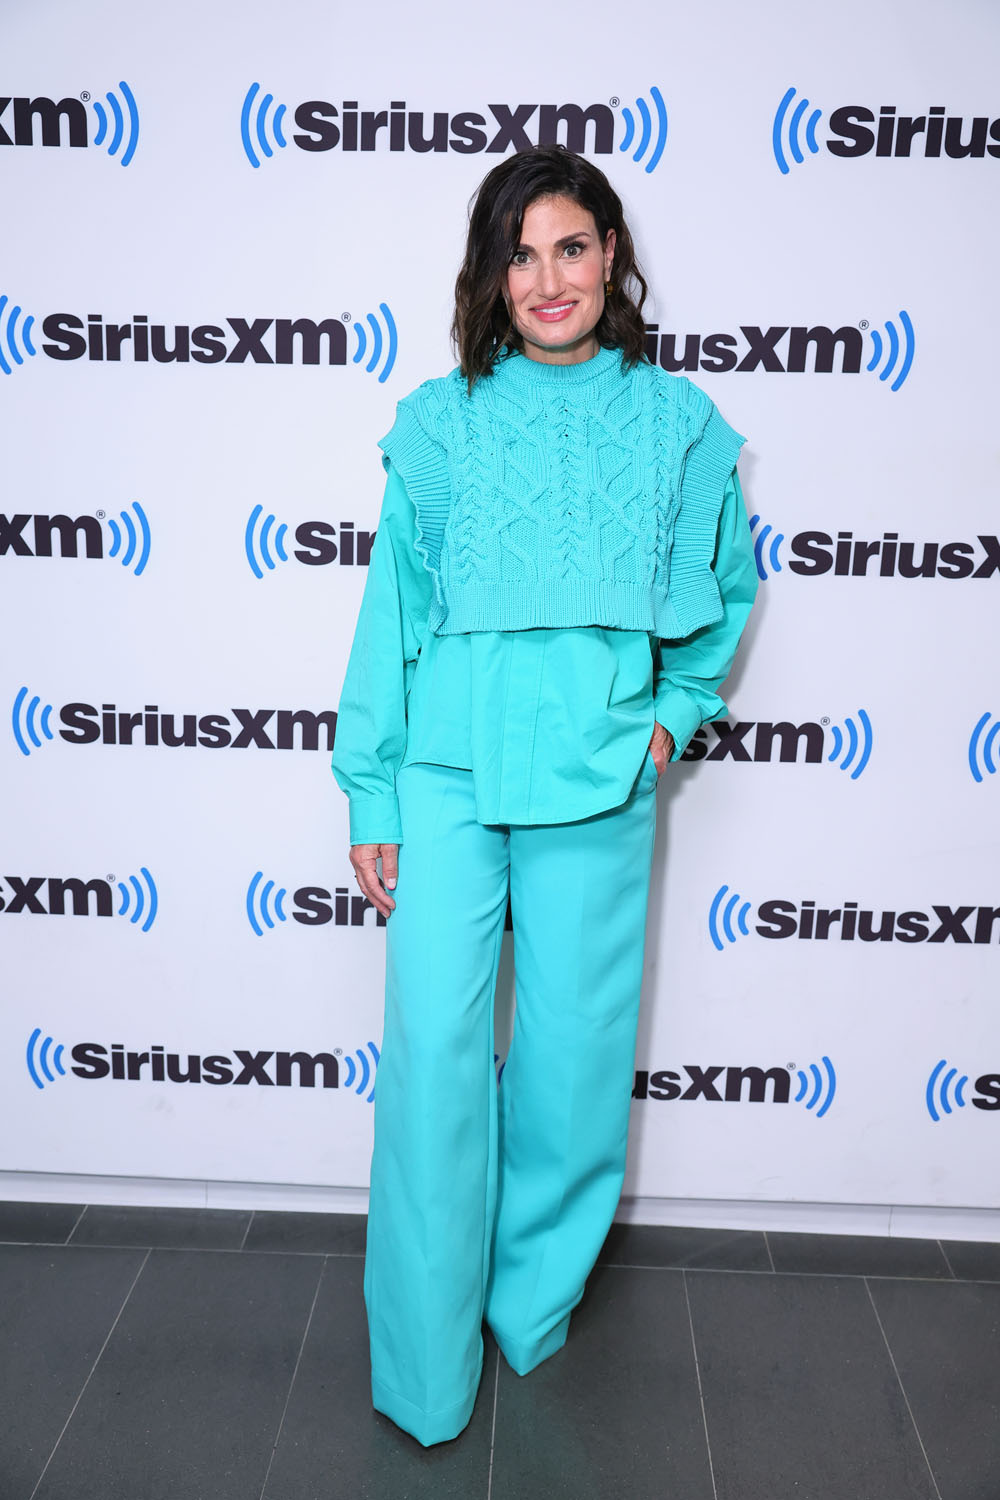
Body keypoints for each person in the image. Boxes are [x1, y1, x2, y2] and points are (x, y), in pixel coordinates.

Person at [331, 144, 758, 1447]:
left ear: (612, 255)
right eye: (520, 255)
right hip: (446, 779)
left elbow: (724, 594)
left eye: (571, 247)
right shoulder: (440, 423)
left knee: (571, 1071)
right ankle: (423, 1368)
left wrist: (671, 721)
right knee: (435, 1067)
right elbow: (391, 615)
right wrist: (370, 792)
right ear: (492, 275)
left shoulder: (675, 425)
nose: (548, 278)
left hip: (597, 779)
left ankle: (528, 1308)